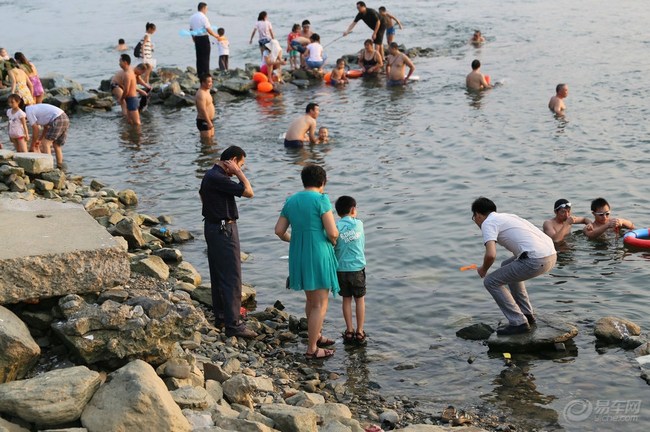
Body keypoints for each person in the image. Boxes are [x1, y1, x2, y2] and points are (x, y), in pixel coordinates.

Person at [274, 164, 339, 359]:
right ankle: (312, 348)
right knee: (320, 303)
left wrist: (295, 239)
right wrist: (335, 241)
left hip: (298, 253)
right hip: (318, 252)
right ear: (322, 182)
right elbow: (332, 231)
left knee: (311, 300)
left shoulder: (291, 200)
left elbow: (279, 230)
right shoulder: (321, 200)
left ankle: (316, 334)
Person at [471, 197, 557, 335]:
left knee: (490, 281)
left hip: (536, 259)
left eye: (473, 217)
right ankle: (527, 314)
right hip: (551, 255)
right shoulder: (507, 216)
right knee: (507, 265)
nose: (475, 221)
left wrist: (483, 269)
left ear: (478, 215)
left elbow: (491, 255)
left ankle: (519, 322)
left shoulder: (488, 223)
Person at [199, 145, 257, 339]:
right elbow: (249, 192)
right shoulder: (219, 178)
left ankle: (222, 316)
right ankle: (234, 324)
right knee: (232, 276)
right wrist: (239, 173)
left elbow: (201, 195)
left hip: (213, 226)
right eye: (240, 164)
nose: (241, 168)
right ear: (231, 161)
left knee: (218, 274)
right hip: (224, 229)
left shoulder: (210, 175)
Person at [334, 196, 367, 345]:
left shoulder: (336, 227)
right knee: (359, 300)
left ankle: (349, 331)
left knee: (346, 299)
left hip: (341, 269)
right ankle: (360, 331)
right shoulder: (359, 224)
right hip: (357, 269)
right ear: (353, 209)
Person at [25, 103, 70, 169]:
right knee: (56, 145)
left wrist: (32, 146)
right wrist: (40, 139)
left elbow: (36, 129)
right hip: (65, 117)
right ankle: (60, 166)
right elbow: (46, 128)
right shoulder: (36, 110)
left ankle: (49, 166)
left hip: (58, 119)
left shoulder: (28, 111)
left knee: (46, 143)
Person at [189, 2, 220, 77]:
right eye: (206, 9)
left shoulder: (192, 17)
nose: (206, 10)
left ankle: (200, 73)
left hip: (197, 38)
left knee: (199, 56)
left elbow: (191, 29)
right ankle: (206, 73)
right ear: (203, 8)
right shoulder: (203, 17)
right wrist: (215, 35)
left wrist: (193, 38)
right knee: (205, 56)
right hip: (203, 38)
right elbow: (208, 29)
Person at [118, 54, 141, 126]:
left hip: (132, 99)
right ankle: (132, 136)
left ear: (125, 62)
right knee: (130, 121)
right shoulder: (130, 71)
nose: (119, 63)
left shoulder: (127, 74)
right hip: (131, 99)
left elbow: (126, 90)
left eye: (120, 61)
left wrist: (121, 99)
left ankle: (139, 136)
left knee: (137, 122)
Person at [195, 74, 215, 139]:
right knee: (206, 143)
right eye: (209, 82)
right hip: (204, 120)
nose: (211, 84)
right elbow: (202, 109)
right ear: (203, 82)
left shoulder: (207, 90)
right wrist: (208, 122)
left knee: (212, 142)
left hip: (209, 120)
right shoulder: (201, 94)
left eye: (211, 82)